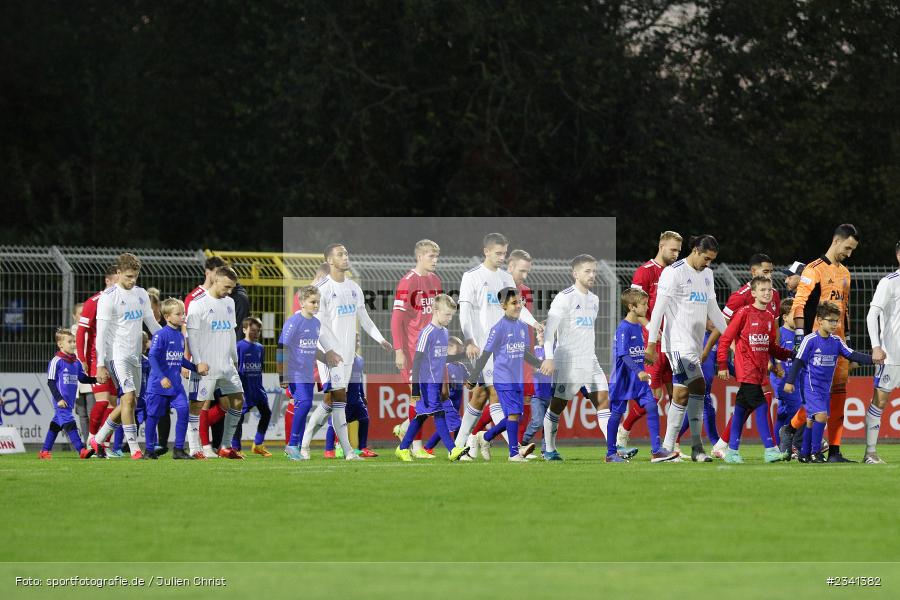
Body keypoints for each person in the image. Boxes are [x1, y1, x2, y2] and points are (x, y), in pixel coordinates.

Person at [454, 233, 541, 458]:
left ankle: (461, 445)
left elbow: (519, 307)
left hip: (504, 346)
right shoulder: (471, 277)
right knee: (493, 393)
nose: (502, 257)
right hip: (483, 346)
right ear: (486, 251)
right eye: (498, 253)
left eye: (504, 253)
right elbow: (464, 312)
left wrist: (535, 324)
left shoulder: (505, 278)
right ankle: (513, 447)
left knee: (481, 396)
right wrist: (469, 339)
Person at [300, 243, 389, 461]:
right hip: (331, 356)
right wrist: (329, 351)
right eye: (340, 254)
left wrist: (380, 339)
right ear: (330, 260)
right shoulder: (323, 289)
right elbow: (317, 324)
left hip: (348, 355)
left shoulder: (354, 288)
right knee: (338, 400)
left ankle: (304, 445)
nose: (345, 257)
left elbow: (365, 319)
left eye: (347, 253)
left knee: (333, 402)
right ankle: (346, 451)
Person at [645, 235, 728, 462]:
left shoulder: (708, 275)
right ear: (695, 250)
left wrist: (731, 338)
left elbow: (714, 311)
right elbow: (658, 312)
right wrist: (652, 344)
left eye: (711, 260)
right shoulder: (673, 273)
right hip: (677, 345)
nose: (708, 263)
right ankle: (697, 448)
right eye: (706, 258)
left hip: (693, 344)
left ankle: (664, 449)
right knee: (699, 385)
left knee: (681, 396)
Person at [787, 224, 859, 462]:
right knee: (815, 400)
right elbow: (799, 303)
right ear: (836, 241)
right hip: (817, 344)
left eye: (852, 250)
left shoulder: (846, 274)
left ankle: (835, 451)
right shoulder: (814, 269)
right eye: (847, 248)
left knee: (839, 395)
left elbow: (845, 312)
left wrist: (847, 345)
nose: (849, 254)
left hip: (837, 345)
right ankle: (791, 429)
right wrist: (800, 337)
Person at [539, 254, 616, 460]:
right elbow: (549, 333)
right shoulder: (564, 297)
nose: (592, 275)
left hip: (590, 359)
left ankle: (613, 450)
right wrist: (548, 357)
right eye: (587, 271)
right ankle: (549, 449)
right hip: (568, 361)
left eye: (594, 271)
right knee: (558, 405)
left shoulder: (595, 300)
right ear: (575, 274)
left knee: (602, 400)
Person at [89, 253, 162, 459]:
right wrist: (100, 364)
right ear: (118, 272)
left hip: (135, 355)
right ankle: (135, 448)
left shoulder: (140, 294)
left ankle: (98, 438)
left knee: (128, 403)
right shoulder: (108, 297)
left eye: (135, 276)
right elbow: (101, 334)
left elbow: (152, 323)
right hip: (116, 355)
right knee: (128, 397)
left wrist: (168, 337)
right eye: (129, 276)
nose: (132, 280)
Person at [711, 253, 782, 458]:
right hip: (746, 357)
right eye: (765, 272)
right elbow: (722, 325)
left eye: (771, 272)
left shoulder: (773, 295)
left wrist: (775, 360)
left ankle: (725, 444)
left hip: (762, 356)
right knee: (762, 399)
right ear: (754, 272)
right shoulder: (741, 296)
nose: (769, 276)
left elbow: (772, 331)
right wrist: (728, 352)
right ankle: (771, 448)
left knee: (745, 403)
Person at [784, 302, 873, 463]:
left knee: (811, 420)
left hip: (825, 389)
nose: (834, 324)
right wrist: (790, 382)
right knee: (821, 417)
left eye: (836, 321)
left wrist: (873, 359)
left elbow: (852, 355)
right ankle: (816, 453)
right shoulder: (810, 340)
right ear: (819, 320)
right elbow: (798, 361)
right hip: (810, 387)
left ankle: (804, 453)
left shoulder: (836, 341)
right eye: (830, 320)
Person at [618, 231, 683, 448]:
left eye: (678, 251)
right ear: (661, 245)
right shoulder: (644, 272)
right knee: (653, 397)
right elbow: (634, 307)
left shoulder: (677, 273)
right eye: (672, 249)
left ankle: (672, 444)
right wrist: (652, 331)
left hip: (674, 343)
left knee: (678, 395)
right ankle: (624, 429)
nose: (675, 254)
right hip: (651, 344)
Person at [396, 294, 469, 461]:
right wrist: (415, 386)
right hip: (425, 382)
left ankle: (402, 448)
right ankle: (452, 450)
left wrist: (463, 356)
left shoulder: (444, 332)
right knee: (439, 413)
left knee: (420, 416)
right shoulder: (427, 332)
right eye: (447, 314)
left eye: (452, 315)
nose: (450, 318)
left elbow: (441, 359)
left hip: (436, 383)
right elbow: (418, 359)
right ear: (435, 311)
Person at [609, 289, 678, 463]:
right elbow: (623, 355)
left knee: (652, 406)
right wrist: (638, 370)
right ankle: (610, 454)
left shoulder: (638, 326)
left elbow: (636, 352)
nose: (647, 307)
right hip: (623, 379)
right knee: (617, 414)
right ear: (632, 307)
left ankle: (657, 451)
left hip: (638, 379)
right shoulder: (623, 328)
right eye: (644, 304)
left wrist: (645, 360)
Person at [185, 266, 246, 459]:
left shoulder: (229, 302)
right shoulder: (198, 304)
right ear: (215, 280)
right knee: (197, 405)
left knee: (238, 400)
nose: (229, 291)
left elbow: (230, 333)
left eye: (232, 288)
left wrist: (235, 359)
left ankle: (225, 446)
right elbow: (191, 336)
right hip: (205, 366)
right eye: (227, 287)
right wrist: (198, 362)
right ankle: (196, 448)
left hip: (226, 365)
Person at [390, 240, 442, 457]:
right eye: (431, 256)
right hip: (413, 351)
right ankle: (417, 447)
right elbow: (396, 319)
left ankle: (404, 429)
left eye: (437, 256)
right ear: (420, 256)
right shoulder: (407, 282)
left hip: (433, 352)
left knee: (432, 400)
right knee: (418, 398)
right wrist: (399, 350)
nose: (435, 260)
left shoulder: (435, 280)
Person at [280, 286, 340, 460]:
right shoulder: (293, 322)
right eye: (312, 302)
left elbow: (312, 349)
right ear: (302, 302)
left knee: (303, 406)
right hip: (294, 371)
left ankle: (294, 445)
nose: (316, 305)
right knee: (305, 404)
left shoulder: (316, 323)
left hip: (307, 372)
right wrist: (282, 374)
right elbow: (282, 347)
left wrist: (327, 358)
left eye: (318, 302)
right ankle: (292, 445)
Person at [145, 298, 206, 459]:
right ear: (167, 316)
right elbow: (152, 357)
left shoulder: (180, 336)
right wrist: (162, 377)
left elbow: (179, 359)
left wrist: (195, 367)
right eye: (178, 314)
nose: (182, 316)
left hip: (176, 386)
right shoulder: (160, 335)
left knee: (184, 410)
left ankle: (178, 449)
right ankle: (149, 450)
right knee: (153, 416)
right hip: (159, 386)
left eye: (183, 313)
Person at [184, 255, 227, 458]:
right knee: (205, 401)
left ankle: (193, 431)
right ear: (207, 272)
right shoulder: (194, 297)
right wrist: (187, 359)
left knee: (228, 403)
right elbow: (188, 331)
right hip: (203, 358)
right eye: (216, 273)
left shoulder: (223, 297)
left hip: (221, 358)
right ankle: (204, 445)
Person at [76, 264, 119, 457]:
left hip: (118, 359)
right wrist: (82, 358)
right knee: (102, 402)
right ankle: (92, 439)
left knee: (113, 405)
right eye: (116, 282)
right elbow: (81, 331)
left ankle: (104, 446)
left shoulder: (123, 300)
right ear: (108, 281)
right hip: (97, 359)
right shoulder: (94, 301)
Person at [863, 243, 900, 464]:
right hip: (892, 356)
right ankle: (870, 452)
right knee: (880, 401)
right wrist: (876, 346)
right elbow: (871, 315)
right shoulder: (889, 282)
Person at [40, 329, 96, 460]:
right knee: (70, 422)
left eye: (74, 341)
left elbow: (82, 378)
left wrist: (96, 379)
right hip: (61, 401)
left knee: (55, 425)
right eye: (69, 342)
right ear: (60, 344)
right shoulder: (56, 361)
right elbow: (51, 382)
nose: (73, 344)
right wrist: (58, 398)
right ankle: (81, 450)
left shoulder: (76, 363)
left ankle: (44, 451)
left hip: (69, 401)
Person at [325, 339, 377, 458]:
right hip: (344, 397)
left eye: (358, 341)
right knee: (334, 423)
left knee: (364, 419)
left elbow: (359, 379)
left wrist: (362, 395)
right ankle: (329, 450)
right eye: (355, 340)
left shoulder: (359, 359)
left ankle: (362, 448)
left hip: (356, 398)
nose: (358, 343)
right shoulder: (341, 358)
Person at [232, 317, 273, 457]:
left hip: (257, 389)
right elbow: (235, 368)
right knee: (239, 418)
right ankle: (236, 448)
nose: (256, 333)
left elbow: (260, 367)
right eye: (253, 330)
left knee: (266, 413)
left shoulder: (261, 348)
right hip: (244, 389)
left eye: (258, 331)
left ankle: (258, 444)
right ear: (244, 330)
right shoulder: (238, 347)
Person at [423, 336, 468, 454]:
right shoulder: (444, 366)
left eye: (460, 348)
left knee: (445, 426)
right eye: (455, 348)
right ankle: (457, 448)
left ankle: (427, 448)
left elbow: (469, 382)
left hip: (456, 403)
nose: (458, 350)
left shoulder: (462, 367)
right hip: (446, 401)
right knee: (460, 424)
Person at [773, 299, 805, 459]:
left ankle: (777, 448)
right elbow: (774, 356)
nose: (800, 318)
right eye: (796, 315)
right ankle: (797, 445)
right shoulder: (780, 334)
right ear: (785, 317)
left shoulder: (800, 336)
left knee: (783, 415)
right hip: (783, 381)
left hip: (796, 381)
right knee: (800, 409)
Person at [520, 326, 552, 458]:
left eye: (542, 332)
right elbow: (529, 369)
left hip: (551, 394)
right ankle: (522, 442)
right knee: (537, 422)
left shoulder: (553, 352)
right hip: (537, 394)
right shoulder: (534, 351)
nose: (539, 335)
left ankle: (546, 450)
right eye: (538, 332)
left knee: (548, 424)